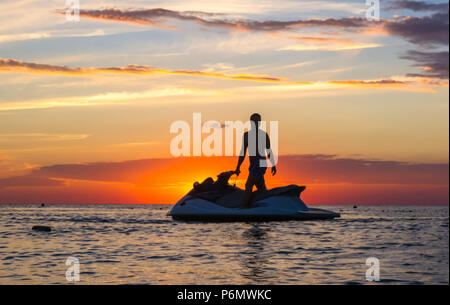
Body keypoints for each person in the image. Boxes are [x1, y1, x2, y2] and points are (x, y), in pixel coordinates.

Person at [235, 113, 277, 208]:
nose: (257, 123)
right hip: (253, 164)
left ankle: (243, 208)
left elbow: (269, 150)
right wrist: (238, 167)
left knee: (248, 184)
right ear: (250, 122)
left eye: (258, 121)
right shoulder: (246, 135)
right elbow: (243, 152)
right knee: (261, 187)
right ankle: (268, 206)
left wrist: (273, 164)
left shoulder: (264, 135)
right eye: (255, 121)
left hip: (261, 162)